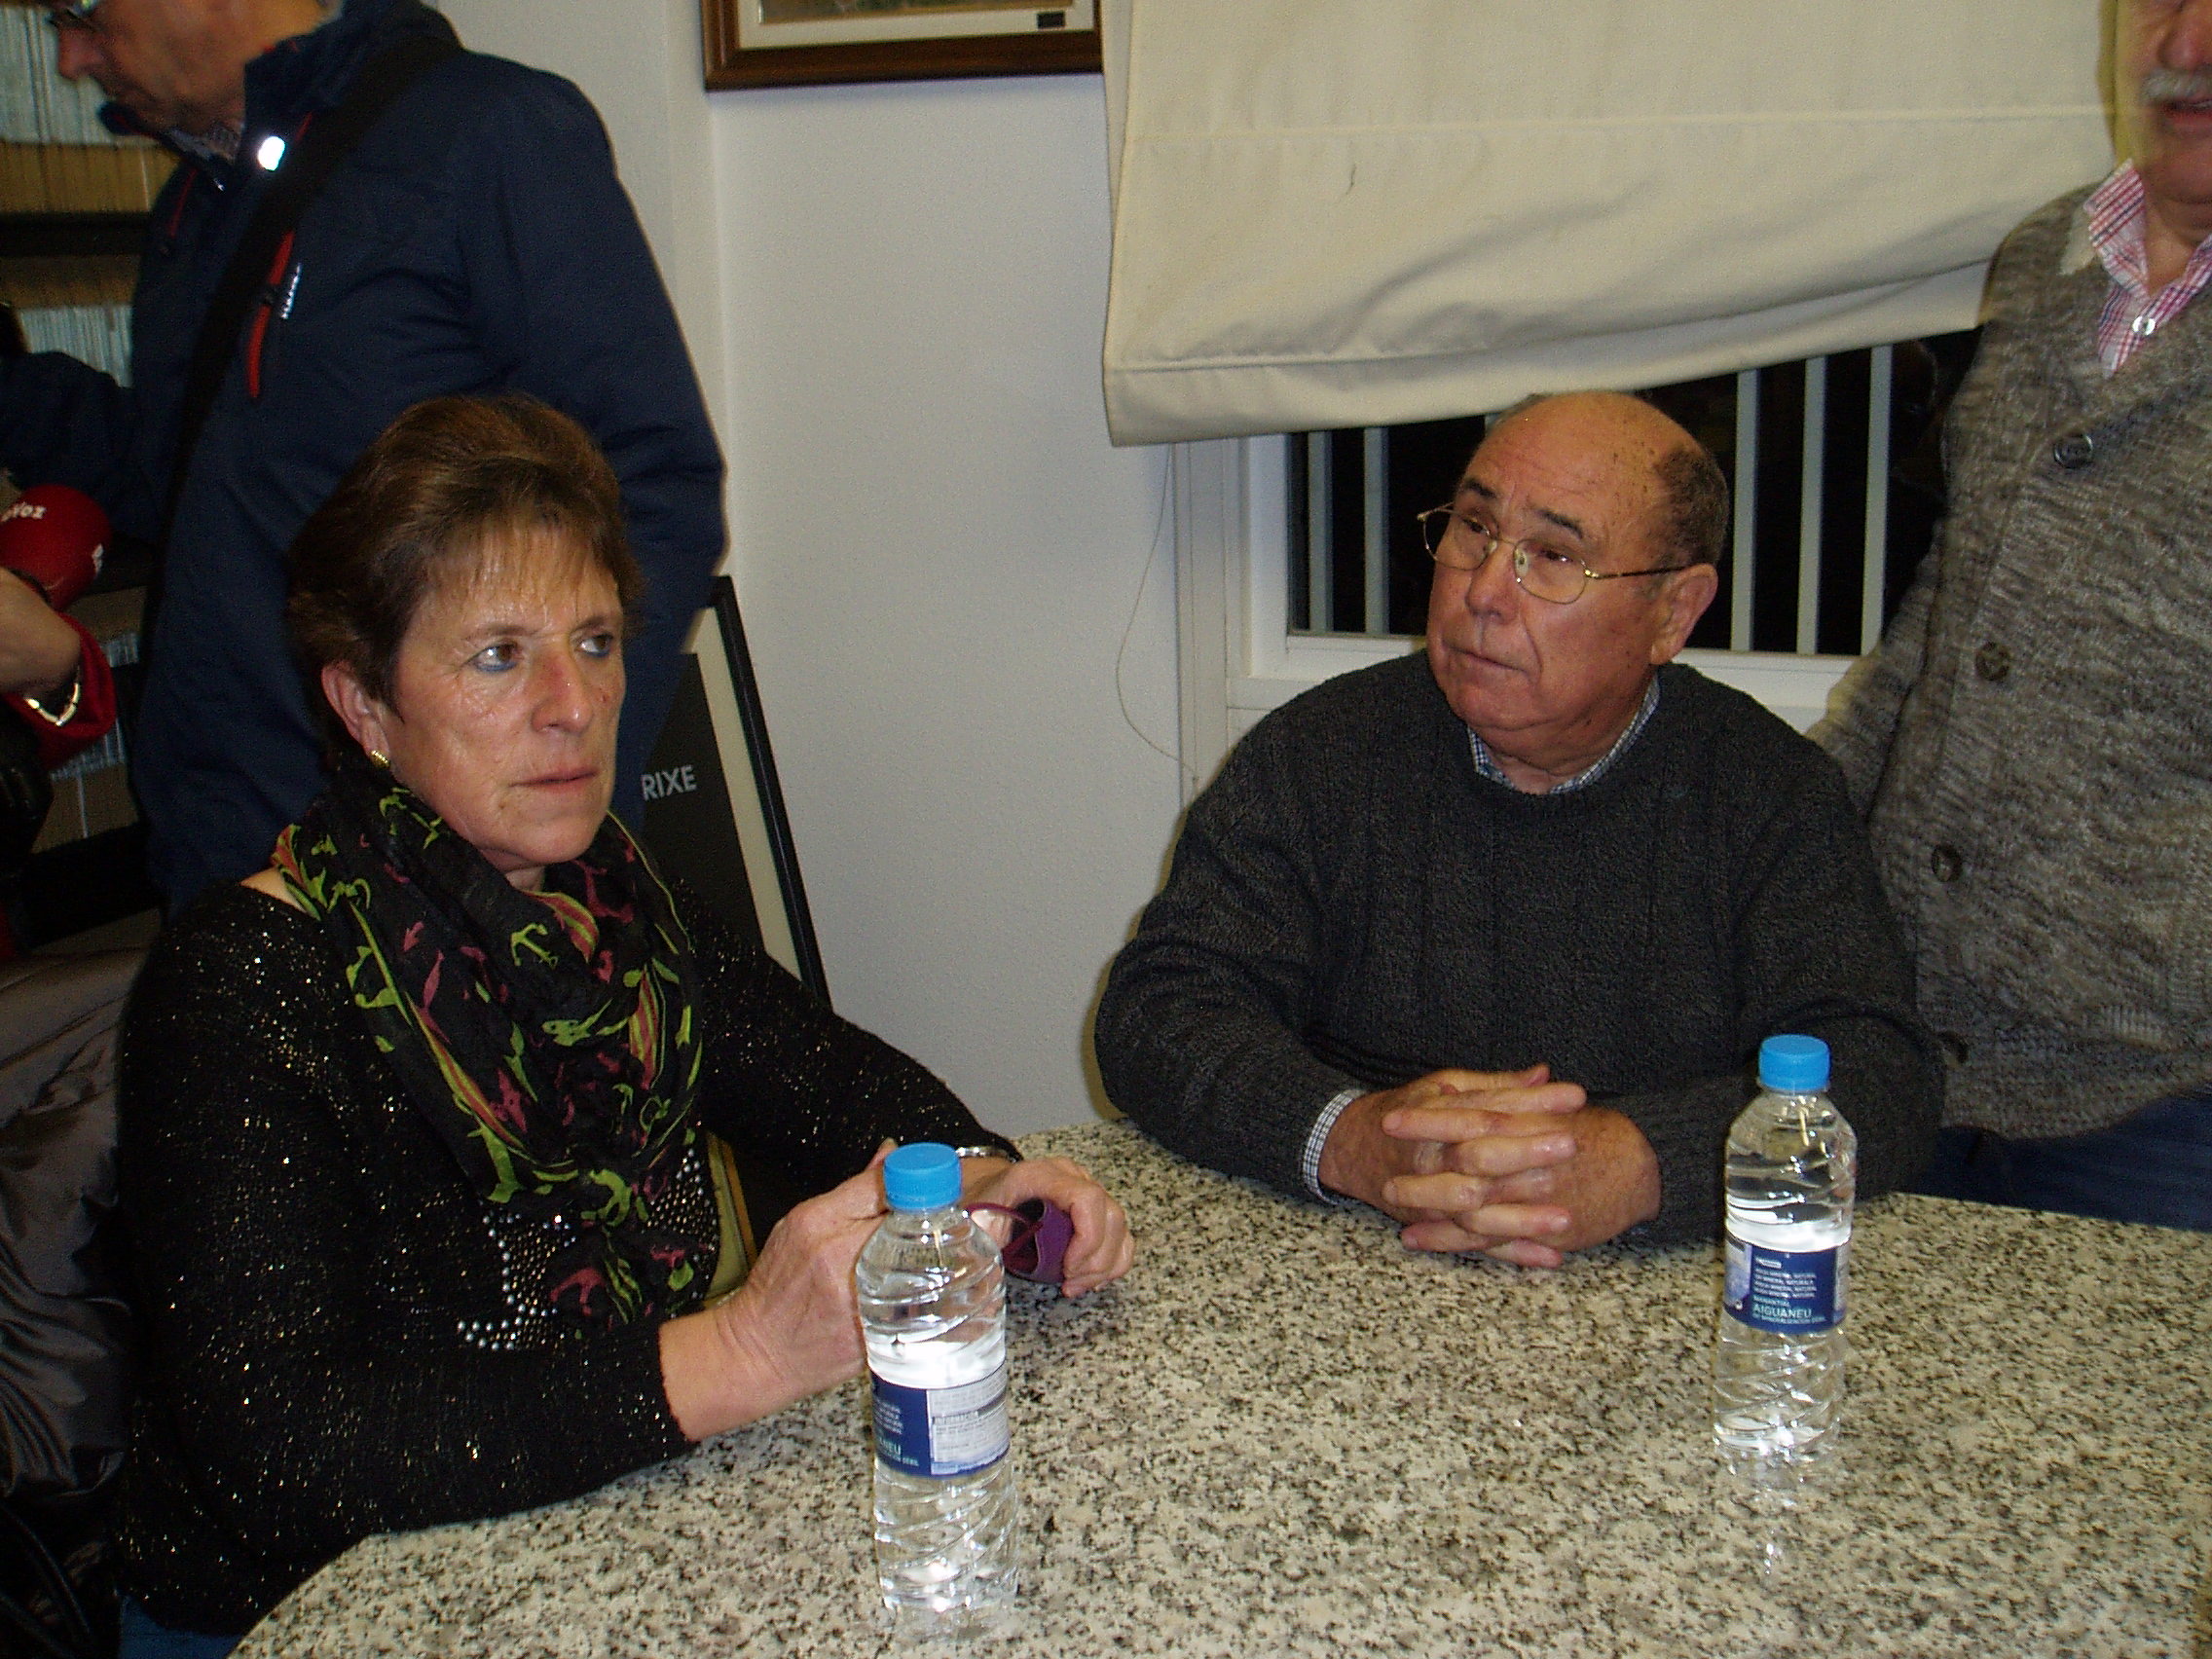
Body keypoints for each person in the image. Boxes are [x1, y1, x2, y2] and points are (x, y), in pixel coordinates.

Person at [113, 396, 1134, 1653]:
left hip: (579, 1540)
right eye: (499, 656)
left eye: (594, 643)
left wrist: (984, 1182)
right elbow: (280, 1451)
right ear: (364, 706)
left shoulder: (619, 911)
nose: (573, 703)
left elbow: (841, 1091)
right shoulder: (240, 980)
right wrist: (742, 1354)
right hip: (291, 1614)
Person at [1095, 392, 1939, 1266]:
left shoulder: (1768, 792)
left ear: (1673, 613)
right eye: (1475, 529)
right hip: (1360, 1260)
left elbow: (1885, 1076)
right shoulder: (1319, 755)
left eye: (1555, 556)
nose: (1484, 590)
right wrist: (1351, 1138)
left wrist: (1649, 1162)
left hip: (1663, 1295)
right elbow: (1159, 1011)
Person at [0, 0, 723, 906]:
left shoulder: (487, 133)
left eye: (83, 15)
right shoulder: (195, 204)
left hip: (434, 883)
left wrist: (539, 804)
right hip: (230, 847)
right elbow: (186, 488)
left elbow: (655, 483)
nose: (70, 59)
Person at [1811, 0, 2212, 1232]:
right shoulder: (2049, 258)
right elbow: (1949, 610)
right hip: (1908, 1043)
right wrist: (1790, 833)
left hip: (2164, 1105)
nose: (2184, 43)